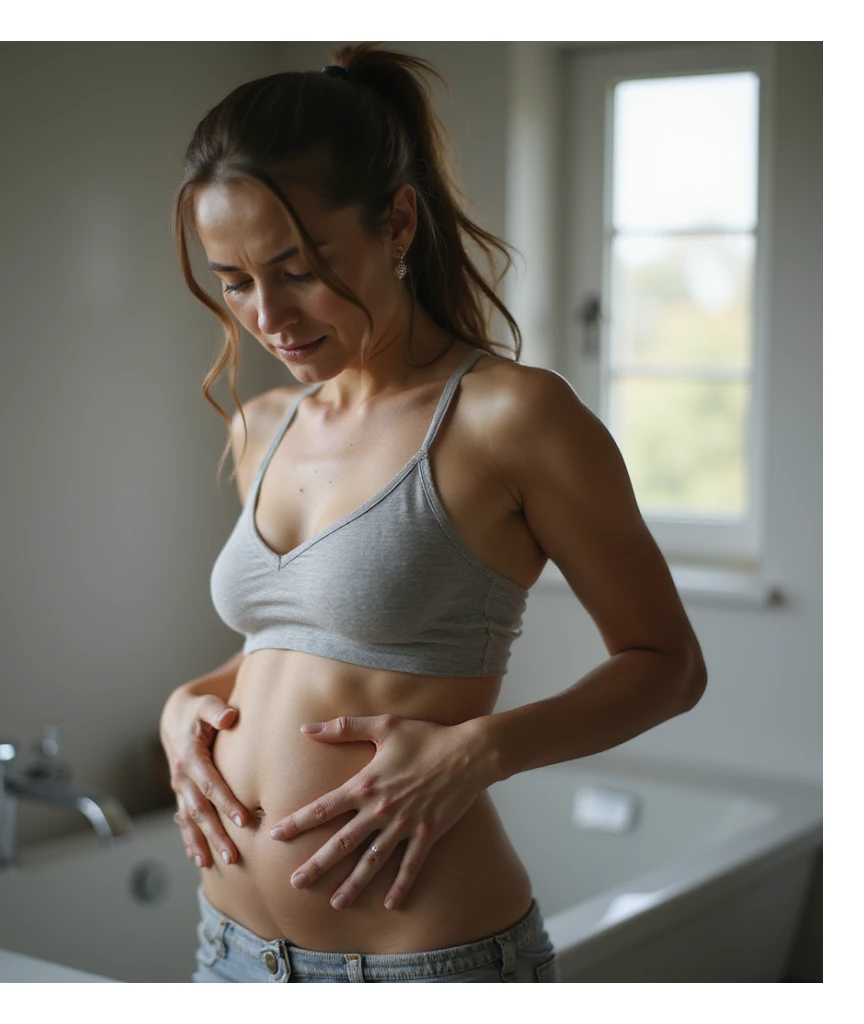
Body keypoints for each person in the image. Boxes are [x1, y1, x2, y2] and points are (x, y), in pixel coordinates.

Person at [160, 43, 708, 984]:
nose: (267, 315)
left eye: (298, 267)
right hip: (230, 955)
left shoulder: (511, 417)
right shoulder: (264, 425)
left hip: (428, 967)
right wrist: (185, 706)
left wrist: (477, 752)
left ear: (398, 222)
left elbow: (669, 667)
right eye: (235, 280)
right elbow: (305, 650)